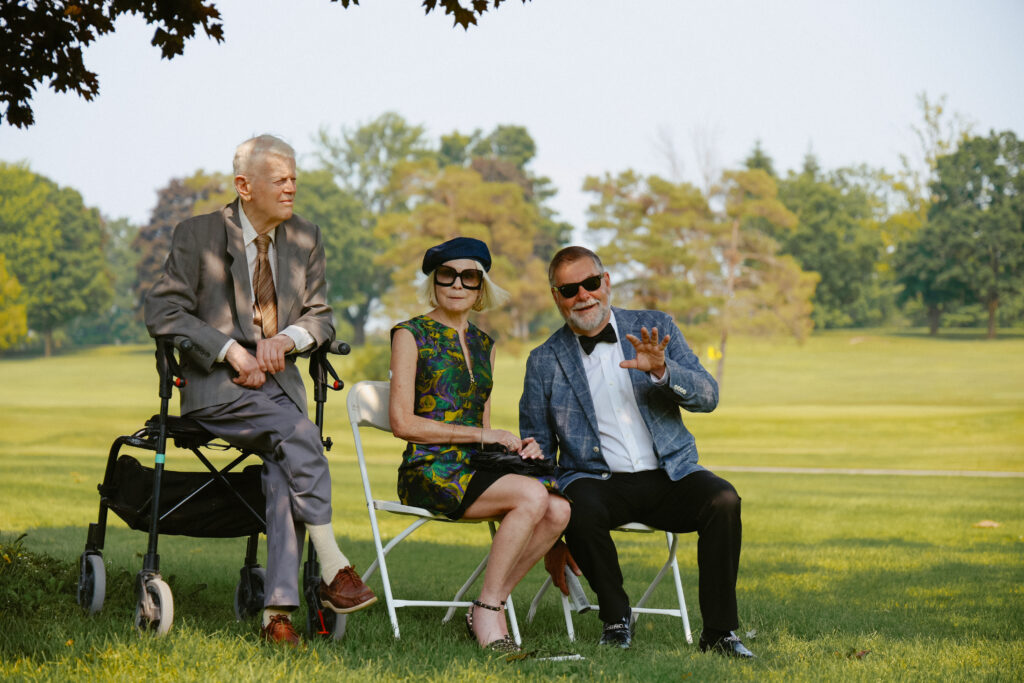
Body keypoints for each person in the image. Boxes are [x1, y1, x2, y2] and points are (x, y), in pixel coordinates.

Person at [145, 134, 376, 647]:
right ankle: (333, 566)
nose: (292, 187)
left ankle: (277, 615)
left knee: (283, 462)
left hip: (281, 394)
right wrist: (231, 350)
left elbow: (322, 317)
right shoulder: (197, 234)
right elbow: (163, 311)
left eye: (295, 177)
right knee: (300, 436)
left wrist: (288, 340)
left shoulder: (306, 237)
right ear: (244, 186)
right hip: (218, 391)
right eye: (280, 180)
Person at [519, 246, 754, 658]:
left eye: (591, 283)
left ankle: (719, 632)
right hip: (596, 481)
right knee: (579, 503)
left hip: (670, 475)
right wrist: (552, 532)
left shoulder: (656, 326)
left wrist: (663, 372)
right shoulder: (544, 360)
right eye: (569, 289)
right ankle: (615, 618)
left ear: (606, 283)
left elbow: (708, 396)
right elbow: (538, 451)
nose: (583, 296)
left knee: (723, 499)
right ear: (556, 297)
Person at [389, 236, 570, 653]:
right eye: (446, 275)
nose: (456, 284)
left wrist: (516, 450)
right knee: (530, 496)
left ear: (480, 286)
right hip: (428, 470)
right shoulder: (409, 334)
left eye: (468, 277)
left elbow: (484, 428)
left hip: (474, 468)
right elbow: (402, 423)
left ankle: (489, 602)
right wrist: (483, 435)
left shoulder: (484, 345)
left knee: (559, 509)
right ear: (434, 282)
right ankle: (489, 608)